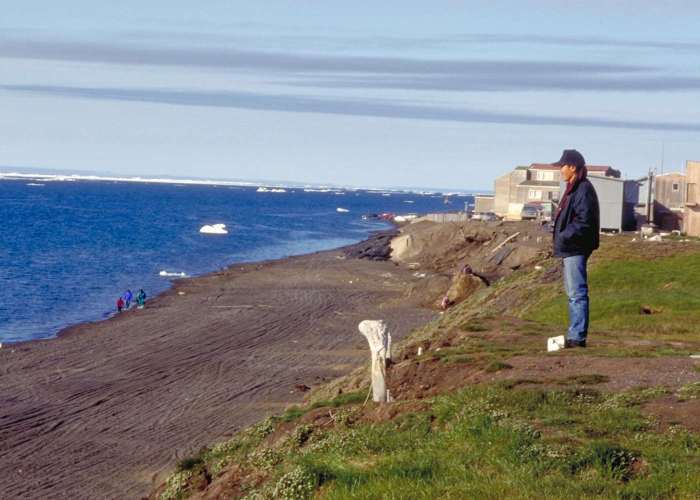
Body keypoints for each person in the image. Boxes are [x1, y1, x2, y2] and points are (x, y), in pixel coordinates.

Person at [552, 149, 600, 348]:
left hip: (575, 247)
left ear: (572, 167)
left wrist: (564, 236)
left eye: (562, 166)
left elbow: (584, 222)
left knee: (576, 293)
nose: (560, 170)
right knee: (573, 292)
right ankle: (575, 334)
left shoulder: (583, 189)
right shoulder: (575, 187)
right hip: (571, 247)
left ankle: (577, 337)